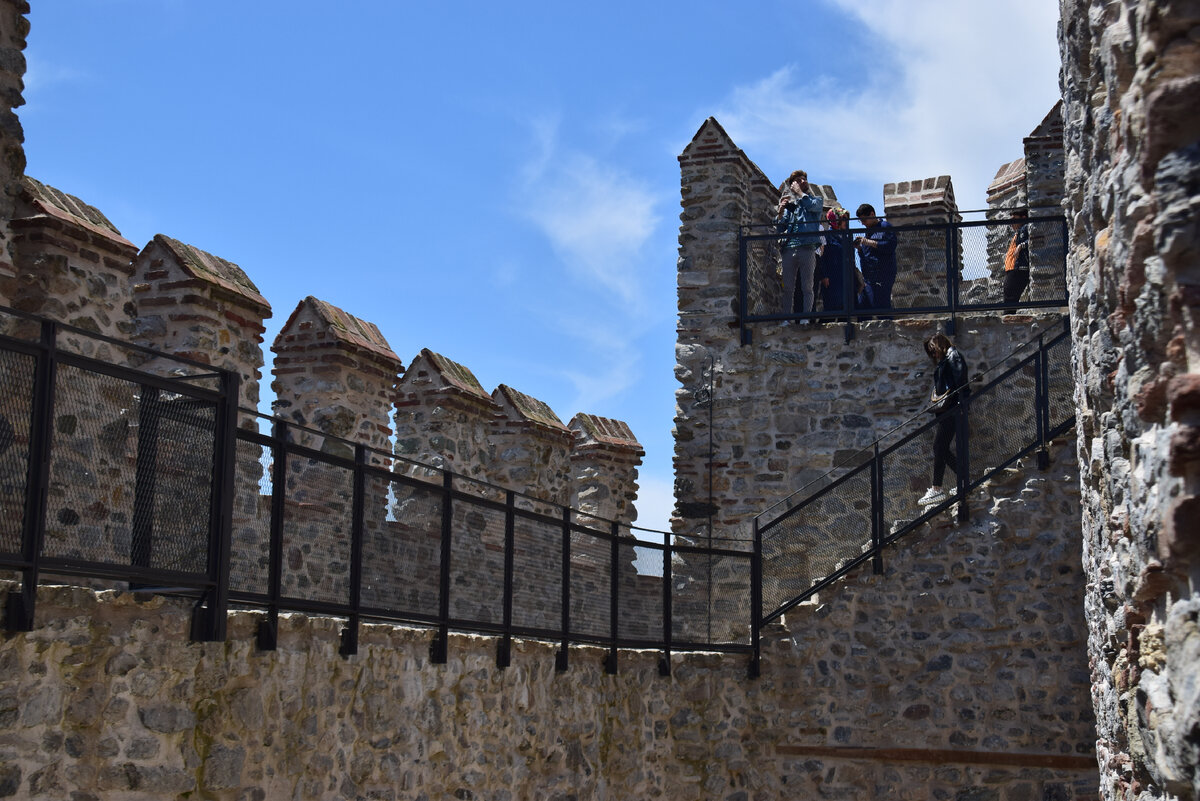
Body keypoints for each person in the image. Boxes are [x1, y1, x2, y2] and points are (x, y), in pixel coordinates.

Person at [917, 333, 970, 507]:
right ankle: (964, 479)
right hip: (949, 410)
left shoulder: (953, 355)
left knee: (939, 447)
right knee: (941, 448)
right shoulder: (948, 358)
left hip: (953, 409)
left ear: (939, 346)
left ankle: (937, 488)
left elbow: (961, 378)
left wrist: (959, 401)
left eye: (933, 350)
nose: (933, 355)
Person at [775, 170, 824, 319]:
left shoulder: (817, 200)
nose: (803, 181)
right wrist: (780, 212)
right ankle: (786, 318)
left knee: (807, 286)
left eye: (804, 179)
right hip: (789, 248)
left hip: (807, 248)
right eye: (799, 180)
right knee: (788, 287)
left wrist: (800, 194)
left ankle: (805, 317)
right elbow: (780, 227)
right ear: (792, 185)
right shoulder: (792, 206)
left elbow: (812, 207)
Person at [854, 203, 898, 310]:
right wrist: (859, 249)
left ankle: (888, 325)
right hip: (869, 278)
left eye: (864, 220)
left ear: (872, 214)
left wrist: (870, 242)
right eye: (861, 221)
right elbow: (867, 255)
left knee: (880, 306)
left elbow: (890, 245)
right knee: (862, 307)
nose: (863, 224)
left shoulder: (885, 227)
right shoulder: (868, 232)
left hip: (883, 274)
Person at [816, 207, 851, 317]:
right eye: (843, 219)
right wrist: (824, 275)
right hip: (831, 278)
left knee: (845, 309)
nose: (846, 222)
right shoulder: (828, 236)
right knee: (831, 309)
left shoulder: (846, 237)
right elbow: (822, 257)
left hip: (844, 277)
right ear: (836, 220)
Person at [1003, 209, 1030, 305]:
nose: (1012, 223)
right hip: (1012, 269)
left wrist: (1021, 246)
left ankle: (1008, 318)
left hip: (1018, 269)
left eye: (1014, 219)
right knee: (1009, 297)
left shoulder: (1026, 228)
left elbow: (1034, 240)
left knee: (1009, 299)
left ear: (1023, 218)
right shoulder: (1019, 232)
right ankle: (1009, 317)